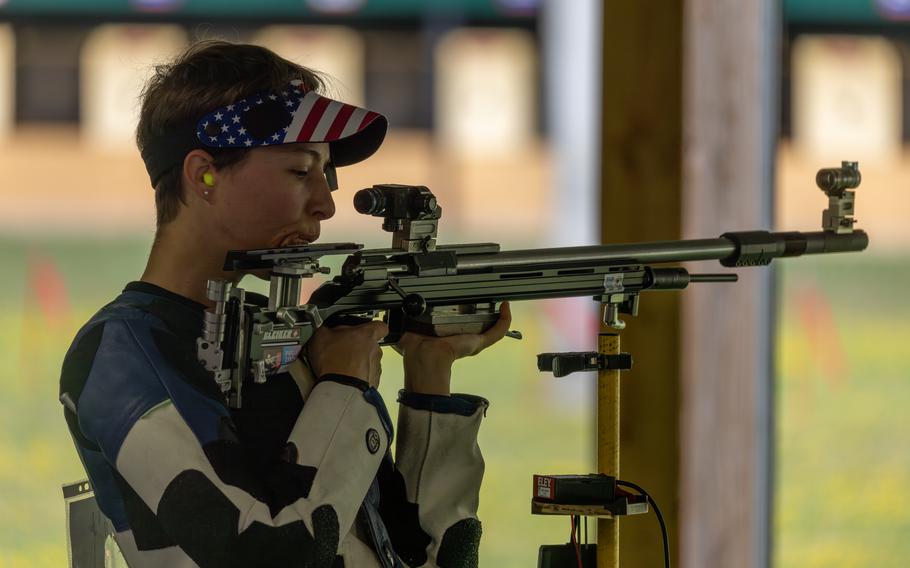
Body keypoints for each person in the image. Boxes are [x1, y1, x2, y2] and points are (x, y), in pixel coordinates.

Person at [59, 40, 511, 568]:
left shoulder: (278, 339)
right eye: (300, 172)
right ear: (203, 174)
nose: (325, 203)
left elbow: (429, 555)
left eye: (326, 174)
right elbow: (267, 553)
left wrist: (429, 375)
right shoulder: (119, 354)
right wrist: (343, 390)